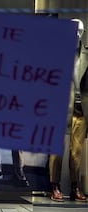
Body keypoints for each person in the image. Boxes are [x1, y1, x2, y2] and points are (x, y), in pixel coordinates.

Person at [49, 18, 88, 202]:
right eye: (75, 31)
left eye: (80, 31)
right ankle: (54, 185)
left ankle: (75, 187)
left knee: (77, 151)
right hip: (61, 105)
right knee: (57, 147)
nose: (77, 34)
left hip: (81, 108)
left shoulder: (86, 54)